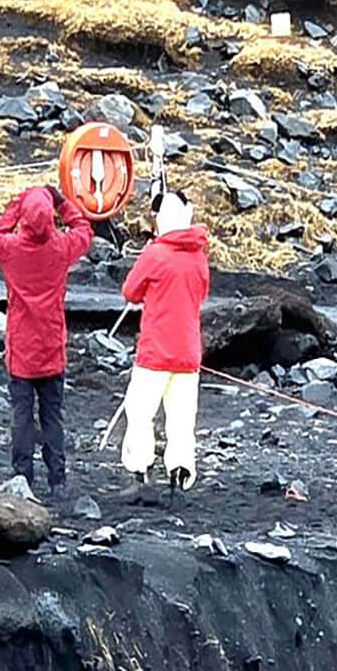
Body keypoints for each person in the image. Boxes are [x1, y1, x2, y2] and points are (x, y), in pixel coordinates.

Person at [0, 185, 94, 495]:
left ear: (25, 220)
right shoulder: (60, 249)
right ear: (49, 219)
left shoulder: (11, 250)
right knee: (52, 416)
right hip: (51, 350)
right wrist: (62, 202)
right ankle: (57, 478)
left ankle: (22, 475)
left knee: (21, 416)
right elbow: (84, 229)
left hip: (21, 350)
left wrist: (18, 205)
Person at [119, 190, 210, 493]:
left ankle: (141, 470)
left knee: (140, 412)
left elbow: (130, 292)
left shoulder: (155, 254)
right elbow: (202, 294)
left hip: (155, 352)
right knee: (182, 418)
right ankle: (181, 472)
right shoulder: (198, 256)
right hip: (188, 353)